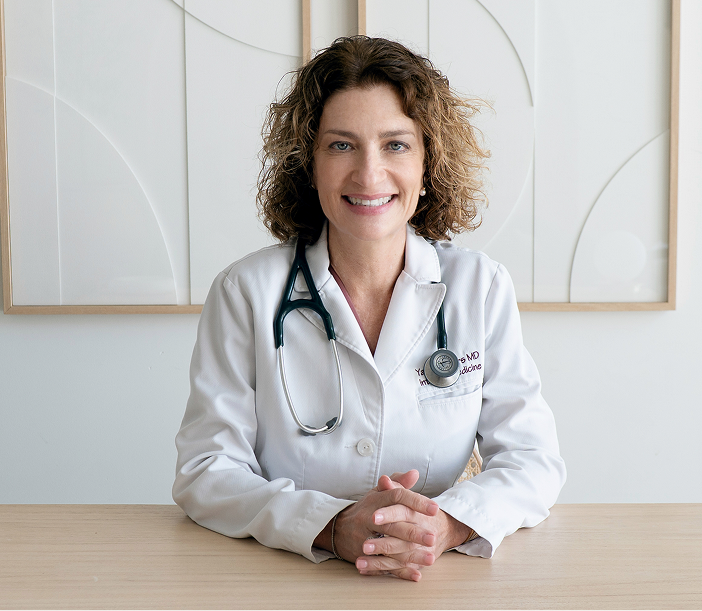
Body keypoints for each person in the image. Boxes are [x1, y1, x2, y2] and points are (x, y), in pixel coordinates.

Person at [173, 36, 566, 582]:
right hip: (283, 578)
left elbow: (533, 460)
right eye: (341, 145)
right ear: (308, 164)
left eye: (395, 145)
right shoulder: (246, 292)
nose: (368, 173)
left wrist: (446, 525)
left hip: (432, 578)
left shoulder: (480, 287)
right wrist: (330, 526)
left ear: (429, 162)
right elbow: (206, 471)